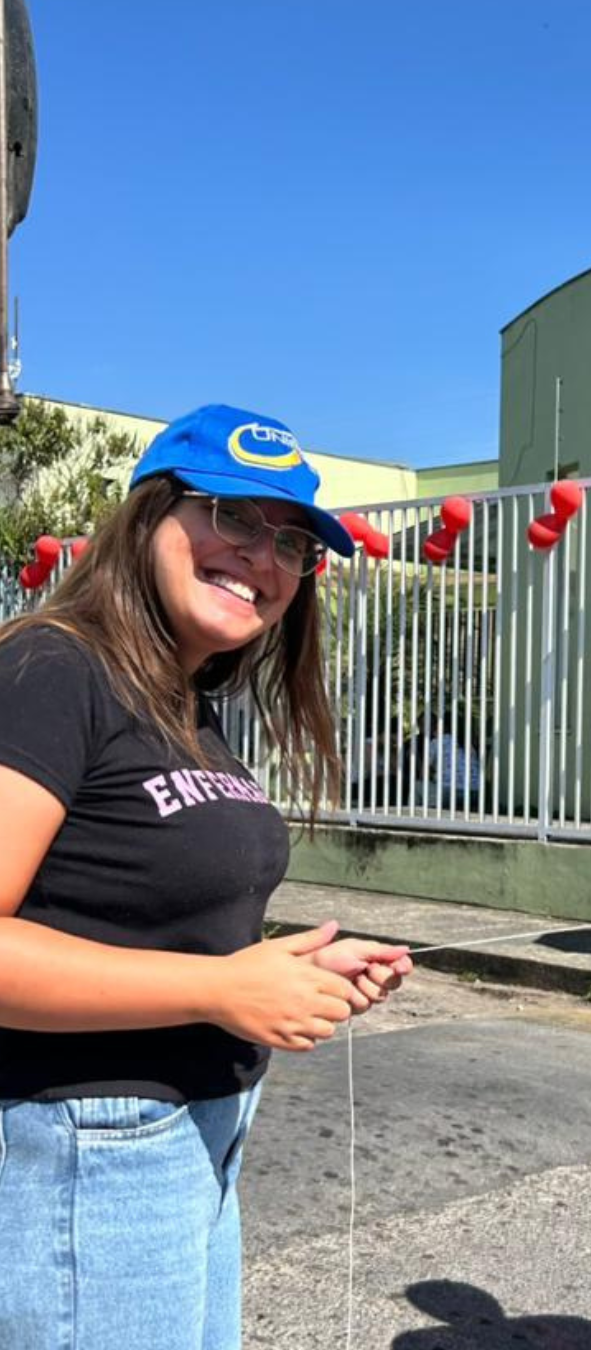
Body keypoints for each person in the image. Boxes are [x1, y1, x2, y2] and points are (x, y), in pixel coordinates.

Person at [0, 404, 414, 1350]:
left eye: (292, 542)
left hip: (199, 1141)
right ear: (151, 516)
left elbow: (133, 909)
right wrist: (220, 987)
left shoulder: (187, 702)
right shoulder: (52, 669)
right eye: (233, 516)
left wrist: (286, 965)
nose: (262, 557)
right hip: (86, 1153)